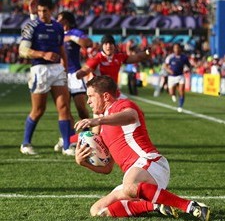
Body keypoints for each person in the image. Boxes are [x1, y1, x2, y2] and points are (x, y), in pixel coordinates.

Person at [74, 75, 210, 220]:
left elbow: (131, 116)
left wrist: (97, 120)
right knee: (97, 209)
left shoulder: (121, 105)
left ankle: (191, 206)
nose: (88, 101)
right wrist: (83, 162)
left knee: (129, 186)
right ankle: (155, 205)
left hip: (151, 162)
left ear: (105, 96)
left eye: (90, 96)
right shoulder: (103, 128)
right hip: (135, 175)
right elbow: (107, 168)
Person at [28, 0, 93, 155]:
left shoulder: (73, 33)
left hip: (74, 74)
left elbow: (88, 43)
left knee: (82, 109)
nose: (57, 19)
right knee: (64, 109)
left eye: (60, 17)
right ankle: (68, 139)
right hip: (60, 73)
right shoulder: (54, 30)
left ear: (66, 20)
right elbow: (34, 32)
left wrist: (72, 38)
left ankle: (87, 138)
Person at [19, 0, 71, 155]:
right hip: (39, 69)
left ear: (52, 10)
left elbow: (61, 48)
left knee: (64, 108)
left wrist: (65, 68)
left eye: (45, 11)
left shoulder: (58, 27)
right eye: (39, 11)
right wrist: (43, 54)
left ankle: (68, 146)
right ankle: (25, 143)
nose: (41, 14)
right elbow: (22, 50)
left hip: (57, 70)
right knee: (38, 110)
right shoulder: (31, 26)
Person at [164, 43, 191, 113]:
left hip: (180, 76)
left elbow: (189, 65)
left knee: (181, 91)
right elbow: (165, 66)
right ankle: (173, 95)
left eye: (178, 48)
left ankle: (180, 106)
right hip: (171, 77)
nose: (176, 49)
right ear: (173, 49)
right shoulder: (170, 57)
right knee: (171, 92)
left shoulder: (184, 57)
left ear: (180, 49)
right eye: (175, 48)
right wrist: (169, 70)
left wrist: (188, 69)